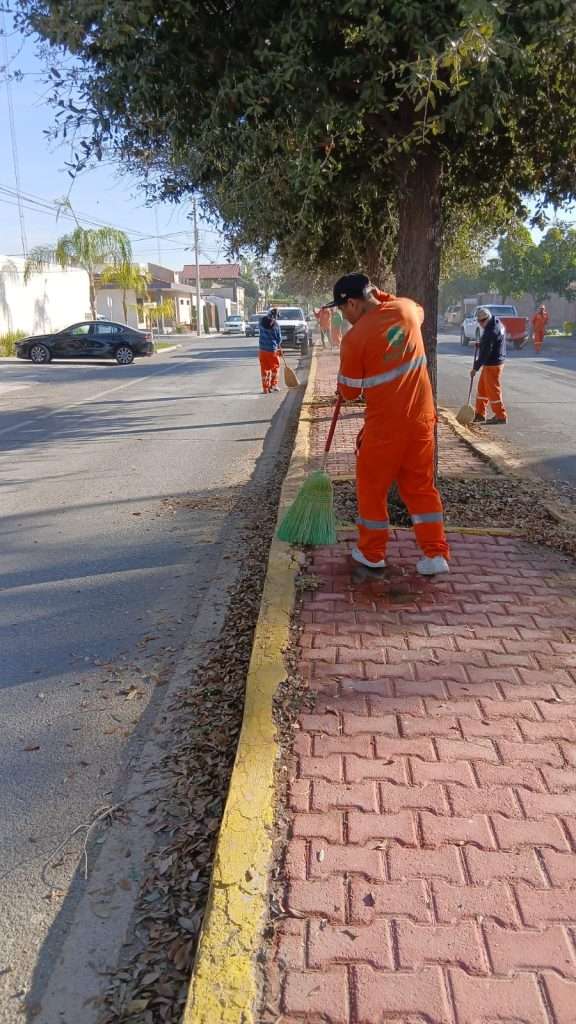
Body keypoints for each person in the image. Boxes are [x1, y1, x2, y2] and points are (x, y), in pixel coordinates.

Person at [328, 272, 450, 575]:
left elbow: (349, 392)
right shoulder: (407, 309)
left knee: (372, 488)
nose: (343, 316)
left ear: (352, 303)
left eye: (342, 309)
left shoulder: (355, 339)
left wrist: (342, 384)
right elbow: (416, 310)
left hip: (384, 428)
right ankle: (435, 554)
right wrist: (381, 298)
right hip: (421, 421)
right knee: (421, 487)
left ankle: (372, 552)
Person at [471, 307, 507, 424]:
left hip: (493, 364)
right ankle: (480, 414)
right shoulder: (496, 322)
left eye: (480, 322)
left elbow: (485, 353)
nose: (479, 324)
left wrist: (475, 368)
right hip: (492, 362)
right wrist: (481, 344)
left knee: (493, 390)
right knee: (482, 389)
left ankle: (501, 416)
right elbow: (491, 344)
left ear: (485, 320)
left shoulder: (490, 331)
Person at [258, 307, 282, 393]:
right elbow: (279, 339)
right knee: (275, 368)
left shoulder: (261, 322)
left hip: (262, 350)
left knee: (264, 369)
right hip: (272, 351)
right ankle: (273, 385)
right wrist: (279, 347)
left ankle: (265, 388)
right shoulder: (276, 325)